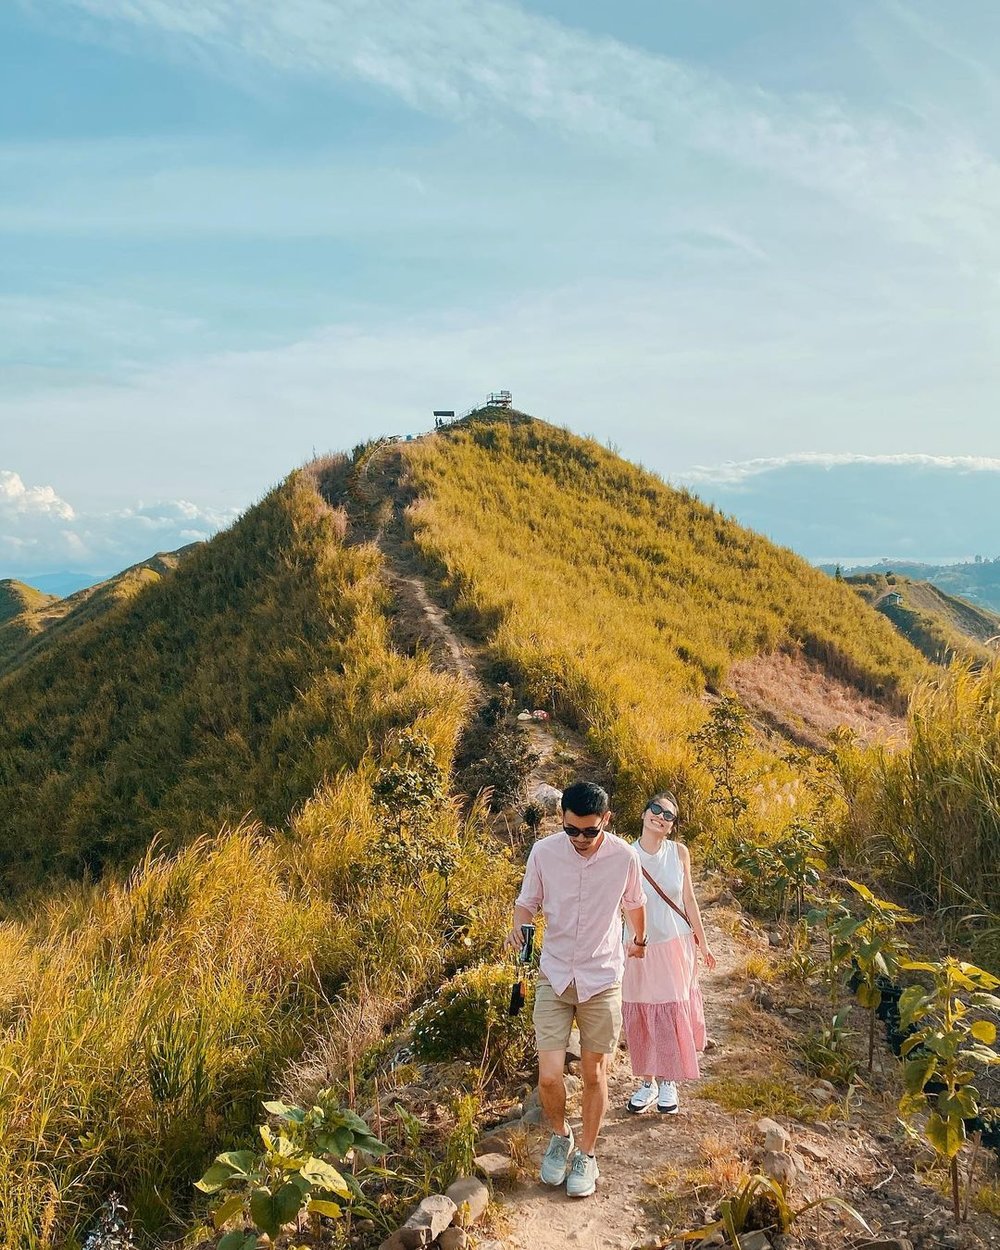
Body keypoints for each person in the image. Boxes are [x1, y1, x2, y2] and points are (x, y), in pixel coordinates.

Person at [508, 780, 647, 1199]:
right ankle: (560, 1134)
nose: (581, 839)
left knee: (593, 1073)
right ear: (561, 819)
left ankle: (587, 1153)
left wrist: (639, 941)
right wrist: (518, 927)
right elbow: (527, 901)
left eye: (590, 830)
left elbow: (634, 903)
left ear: (606, 820)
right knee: (550, 1077)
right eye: (572, 830)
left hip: (602, 977)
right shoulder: (544, 853)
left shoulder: (624, 856)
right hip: (554, 973)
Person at [621, 791, 716, 1115]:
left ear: (672, 826)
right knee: (642, 1011)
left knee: (669, 1011)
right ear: (644, 813)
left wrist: (703, 943)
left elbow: (688, 900)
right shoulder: (625, 854)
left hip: (675, 943)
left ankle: (667, 1081)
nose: (660, 817)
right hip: (638, 947)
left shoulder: (679, 853)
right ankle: (647, 1083)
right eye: (656, 809)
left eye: (668, 815)